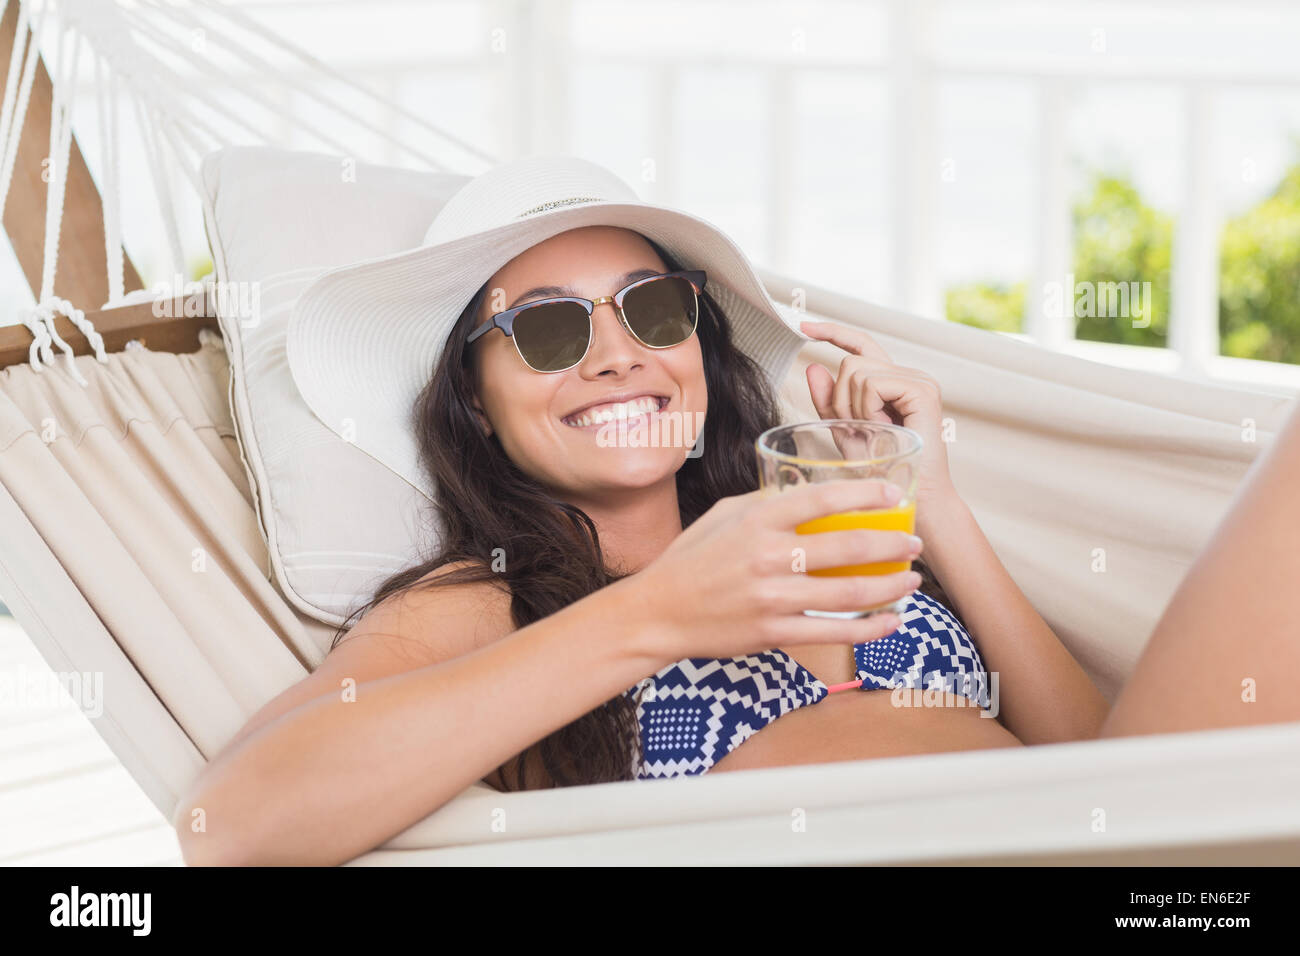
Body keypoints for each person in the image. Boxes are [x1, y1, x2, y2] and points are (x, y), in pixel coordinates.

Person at [173, 156, 1300, 866]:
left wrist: (937, 502)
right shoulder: (499, 593)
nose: (619, 356)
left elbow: (1106, 775)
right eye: (552, 332)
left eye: (653, 310)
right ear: (475, 391)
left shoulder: (814, 529)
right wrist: (655, 614)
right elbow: (235, 823)